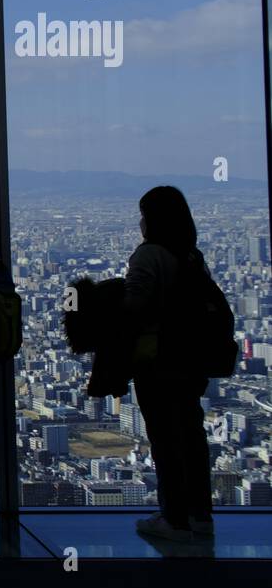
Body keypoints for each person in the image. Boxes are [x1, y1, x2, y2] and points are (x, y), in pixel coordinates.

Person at [126, 185, 216, 542]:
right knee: (192, 436)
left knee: (164, 438)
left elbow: (134, 307)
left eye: (144, 214)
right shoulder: (192, 255)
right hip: (192, 359)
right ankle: (200, 515)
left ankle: (174, 518)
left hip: (158, 360)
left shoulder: (149, 256)